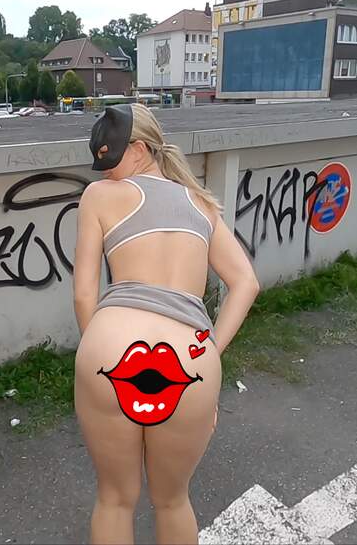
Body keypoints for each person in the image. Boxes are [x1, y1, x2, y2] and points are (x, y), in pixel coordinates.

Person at [73, 103, 260, 544]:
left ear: (139, 149)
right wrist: (209, 355)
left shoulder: (99, 196)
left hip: (112, 351)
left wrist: (94, 356)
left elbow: (83, 295)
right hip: (189, 362)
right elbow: (246, 283)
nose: (105, 173)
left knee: (115, 499)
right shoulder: (201, 204)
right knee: (173, 500)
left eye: (110, 161)